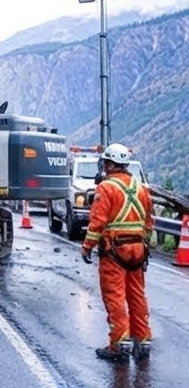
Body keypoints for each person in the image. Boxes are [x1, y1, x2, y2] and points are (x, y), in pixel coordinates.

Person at [81, 143, 154, 361]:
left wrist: (87, 247)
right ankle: (143, 340)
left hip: (114, 251)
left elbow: (97, 223)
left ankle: (119, 344)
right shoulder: (141, 188)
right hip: (138, 250)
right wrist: (145, 248)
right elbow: (148, 223)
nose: (103, 166)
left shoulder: (105, 188)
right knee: (137, 295)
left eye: (105, 162)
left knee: (115, 296)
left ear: (110, 164)